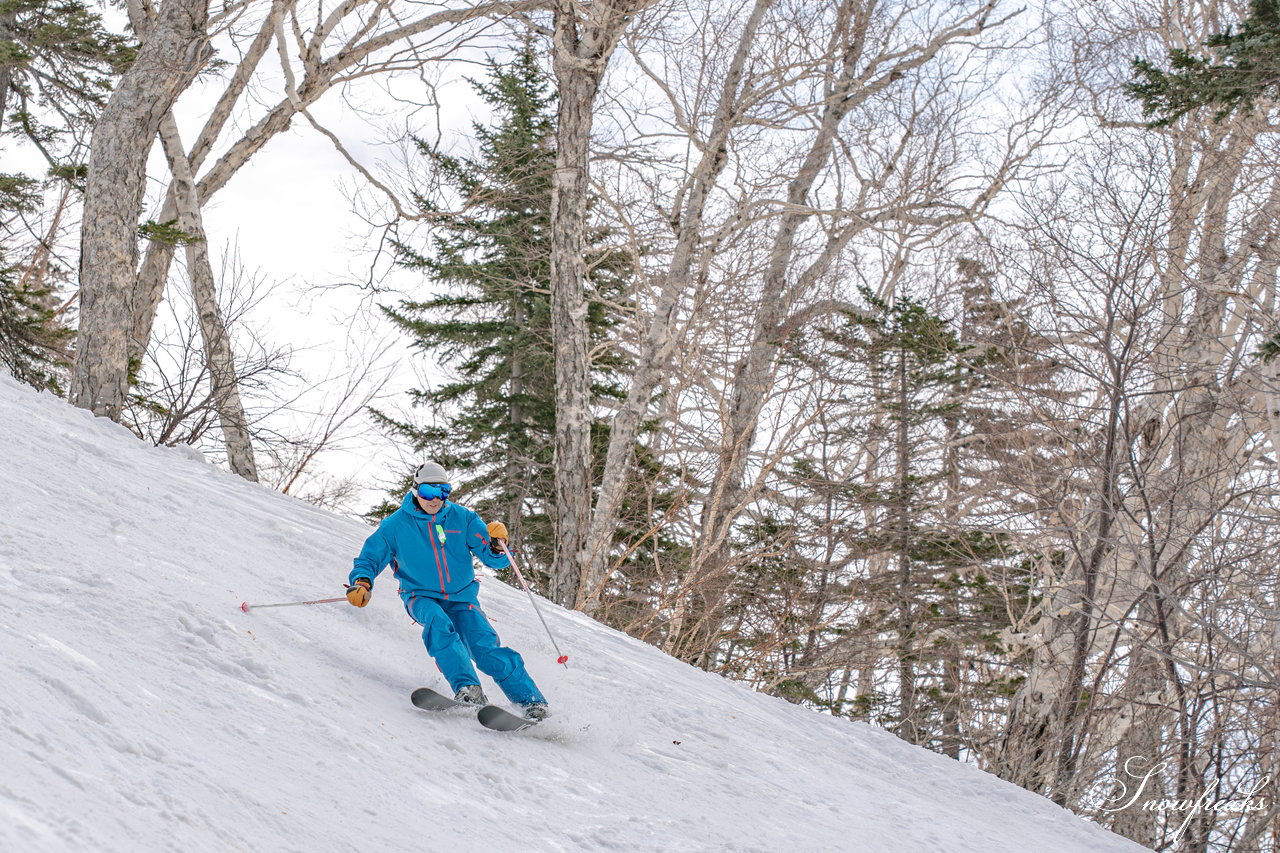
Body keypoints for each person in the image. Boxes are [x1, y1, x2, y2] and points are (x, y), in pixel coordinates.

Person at [346, 460, 549, 720]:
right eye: (429, 492)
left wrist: (499, 546)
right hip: (420, 595)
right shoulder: (395, 526)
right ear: (415, 491)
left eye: (442, 492)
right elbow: (369, 559)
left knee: (484, 646)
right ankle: (468, 688)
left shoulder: (463, 518)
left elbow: (493, 559)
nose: (435, 499)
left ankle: (532, 702)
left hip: (462, 597)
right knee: (438, 624)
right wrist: (362, 582)